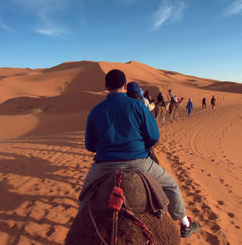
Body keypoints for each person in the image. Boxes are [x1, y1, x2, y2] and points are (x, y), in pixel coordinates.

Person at [81, 69, 200, 238]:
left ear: (106, 86)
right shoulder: (137, 105)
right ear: (124, 86)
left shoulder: (95, 111)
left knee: (84, 195)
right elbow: (153, 136)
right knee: (170, 184)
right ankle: (184, 224)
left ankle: (80, 228)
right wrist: (142, 148)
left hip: (103, 165)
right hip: (138, 162)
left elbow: (90, 145)